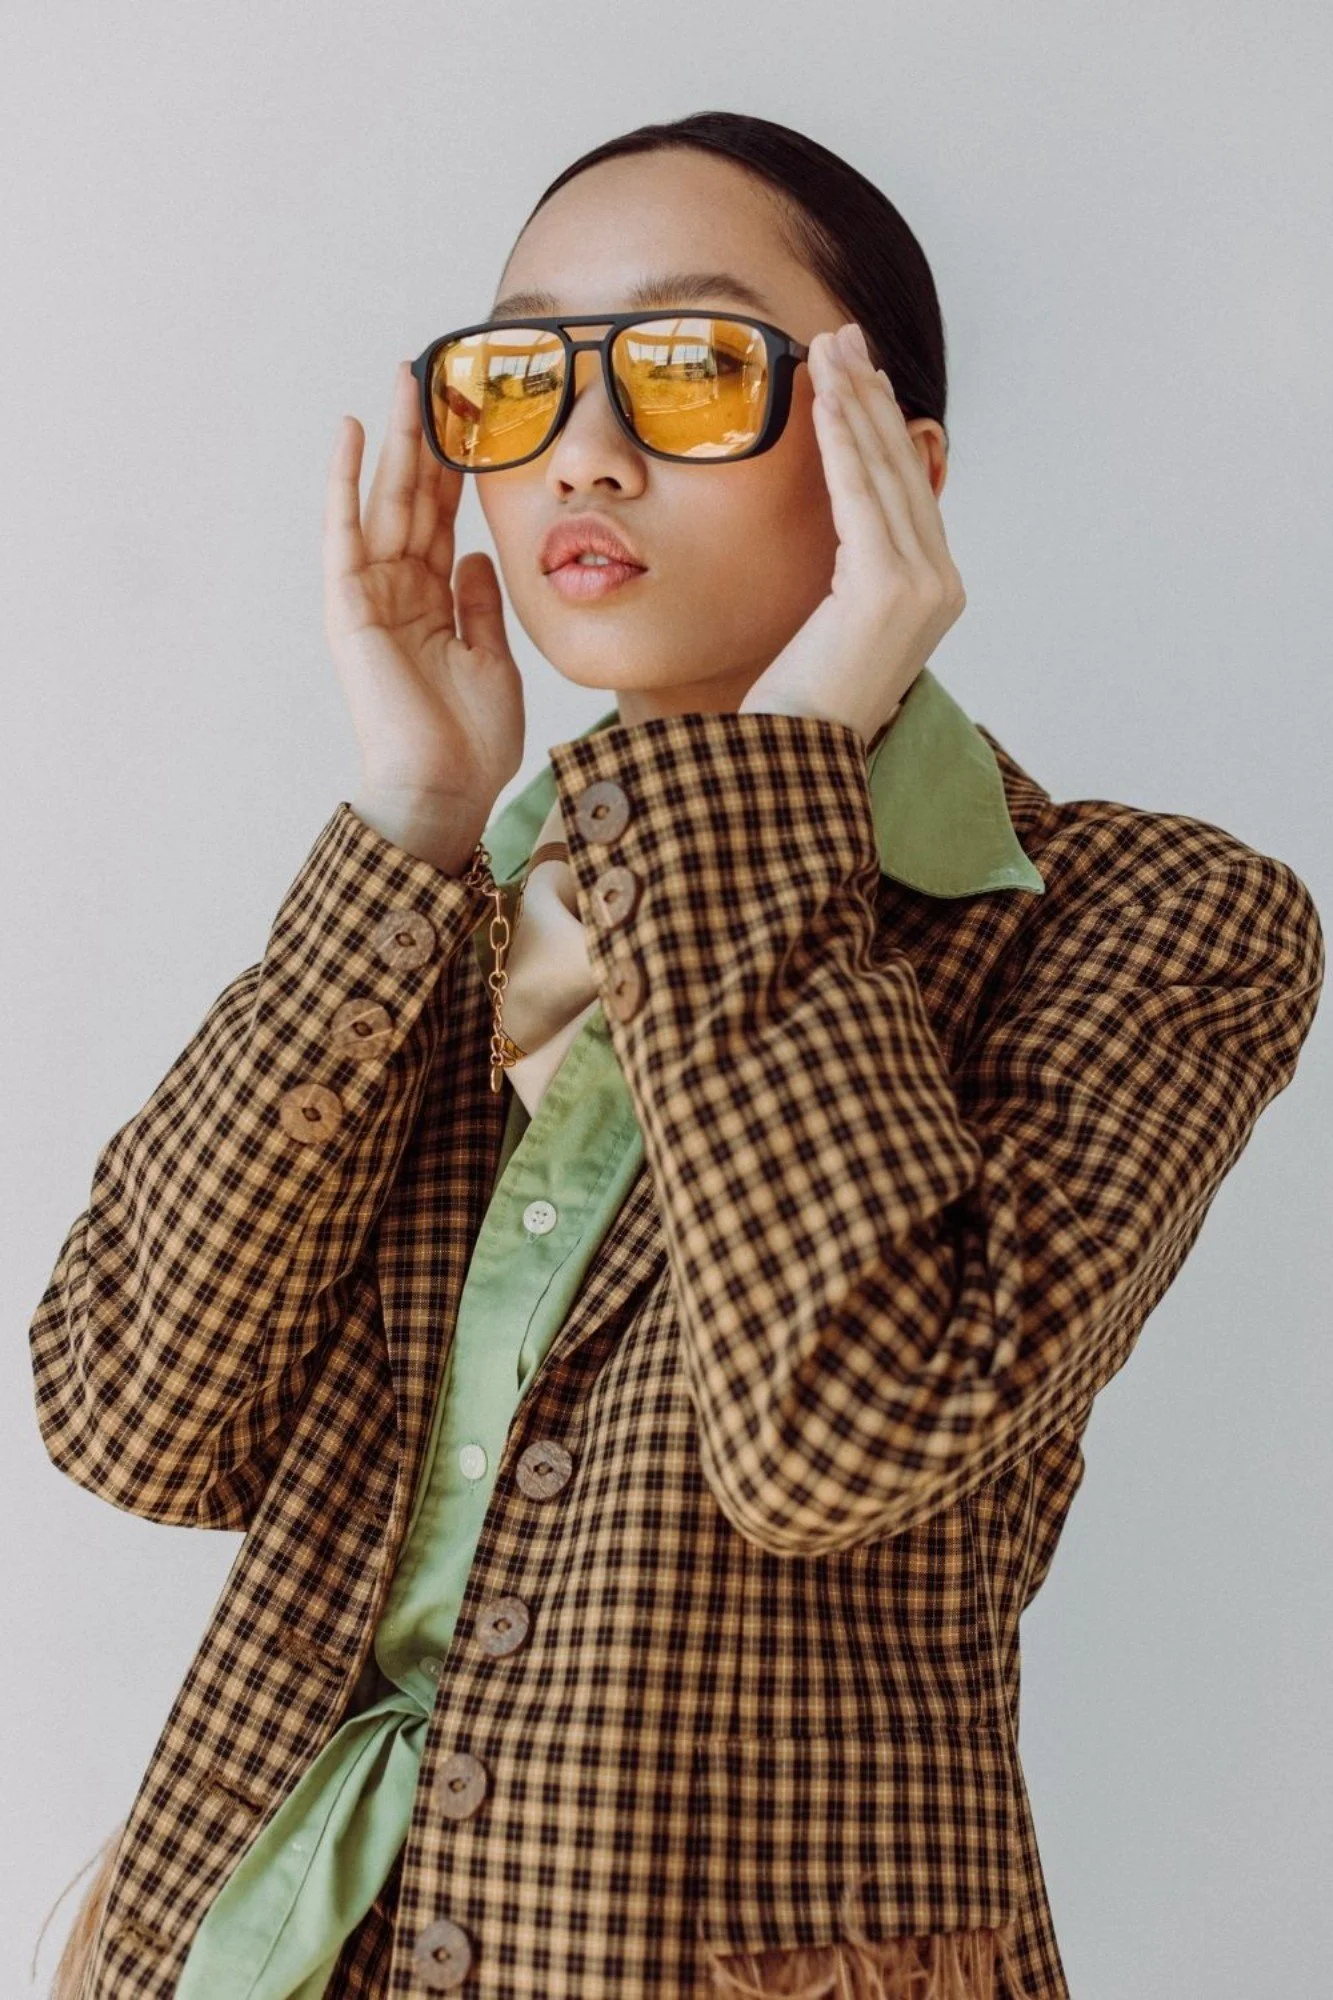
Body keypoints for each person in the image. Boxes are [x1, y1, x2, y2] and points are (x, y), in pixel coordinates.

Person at [29, 110, 1323, 2000]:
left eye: (696, 367)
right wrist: (408, 820)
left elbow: (846, 1431)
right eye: (520, 377)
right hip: (240, 1942)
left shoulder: (1148, 921)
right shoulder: (449, 909)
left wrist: (760, 800)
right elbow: (135, 1415)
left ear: (906, 463)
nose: (590, 446)